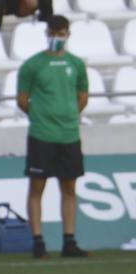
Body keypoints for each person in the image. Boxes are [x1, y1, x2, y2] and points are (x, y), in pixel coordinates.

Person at [17, 15, 91, 259]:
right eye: (53, 32)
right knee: (37, 187)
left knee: (69, 187)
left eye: (61, 33)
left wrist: (68, 115)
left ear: (68, 35)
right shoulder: (33, 65)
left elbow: (82, 96)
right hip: (42, 135)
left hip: (69, 135)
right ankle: (38, 241)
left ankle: (69, 241)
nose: (56, 37)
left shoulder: (76, 64)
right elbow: (22, 100)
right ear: (46, 33)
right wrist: (42, 116)